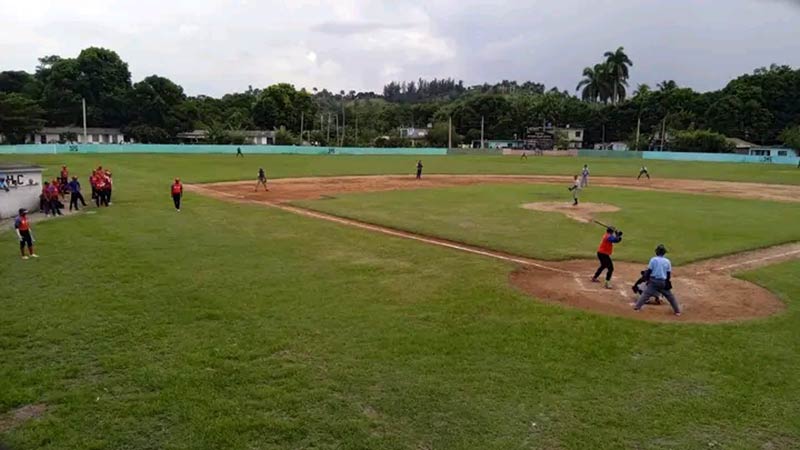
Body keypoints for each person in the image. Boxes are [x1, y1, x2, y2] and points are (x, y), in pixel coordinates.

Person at [633, 245, 681, 316]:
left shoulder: (653, 260)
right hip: (663, 282)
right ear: (664, 253)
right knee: (670, 297)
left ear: (656, 252)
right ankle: (677, 311)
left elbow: (649, 271)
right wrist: (666, 283)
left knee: (645, 294)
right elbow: (668, 274)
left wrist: (647, 279)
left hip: (653, 282)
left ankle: (637, 308)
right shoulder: (667, 261)